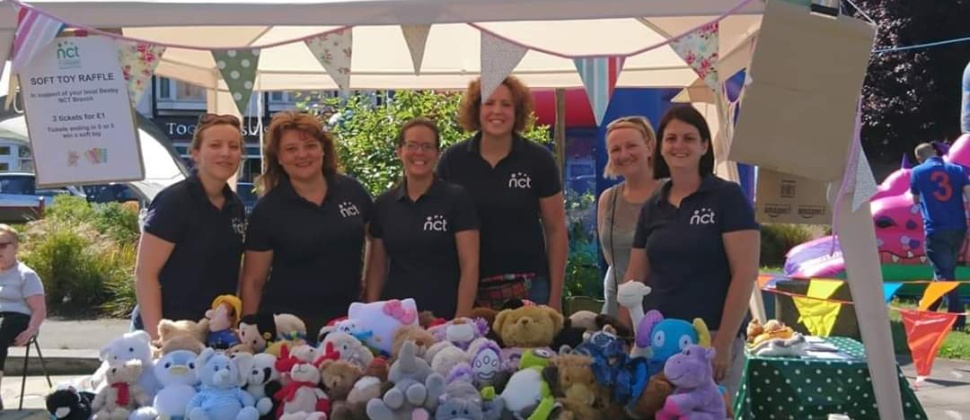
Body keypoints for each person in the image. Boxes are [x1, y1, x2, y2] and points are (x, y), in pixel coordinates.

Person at [621, 105, 760, 401]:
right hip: (659, 340)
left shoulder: (727, 197)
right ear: (660, 147)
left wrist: (722, 342)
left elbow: (745, 272)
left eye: (688, 138)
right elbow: (634, 276)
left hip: (708, 338)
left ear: (704, 146)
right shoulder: (653, 206)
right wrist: (625, 335)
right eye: (671, 139)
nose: (679, 146)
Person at [436, 76, 568, 311]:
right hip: (468, 288)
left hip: (531, 286)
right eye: (489, 102)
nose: (497, 111)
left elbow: (556, 230)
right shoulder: (452, 160)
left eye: (506, 104)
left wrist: (555, 297)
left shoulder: (539, 160)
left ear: (517, 111)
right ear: (476, 109)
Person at [241, 110, 373, 340]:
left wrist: (369, 288)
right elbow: (253, 282)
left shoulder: (353, 191)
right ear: (279, 158)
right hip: (288, 328)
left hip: (348, 324)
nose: (302, 155)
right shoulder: (268, 210)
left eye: (310, 145)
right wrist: (249, 333)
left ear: (323, 149)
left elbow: (377, 239)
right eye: (291, 149)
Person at [133, 113, 246, 340]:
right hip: (172, 332)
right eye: (215, 145)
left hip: (213, 331)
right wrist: (158, 339)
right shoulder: (174, 201)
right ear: (195, 153)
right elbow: (145, 275)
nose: (226, 152)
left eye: (233, 146)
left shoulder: (235, 205)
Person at [364, 118, 480, 319]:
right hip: (397, 318)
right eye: (412, 145)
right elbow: (377, 268)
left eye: (427, 146)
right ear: (399, 151)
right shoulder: (385, 203)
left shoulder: (456, 199)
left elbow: (470, 266)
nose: (419, 153)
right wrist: (372, 314)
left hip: (444, 316)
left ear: (437, 153)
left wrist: (461, 319)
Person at [597, 116, 660, 317]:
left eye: (631, 145)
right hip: (616, 308)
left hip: (661, 309)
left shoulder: (671, 194)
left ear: (649, 148)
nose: (624, 154)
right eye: (615, 149)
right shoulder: (608, 199)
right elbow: (610, 258)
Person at [910, 142, 970, 330]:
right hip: (958, 227)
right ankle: (927, 310)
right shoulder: (957, 169)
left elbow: (915, 199)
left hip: (936, 228)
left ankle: (957, 319)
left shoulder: (917, 172)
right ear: (935, 152)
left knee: (944, 274)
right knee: (944, 270)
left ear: (920, 158)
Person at [0, 224, 46, 410]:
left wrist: (31, 330)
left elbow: (39, 309)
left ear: (15, 247)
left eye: (2, 245)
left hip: (17, 318)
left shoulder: (25, 275)